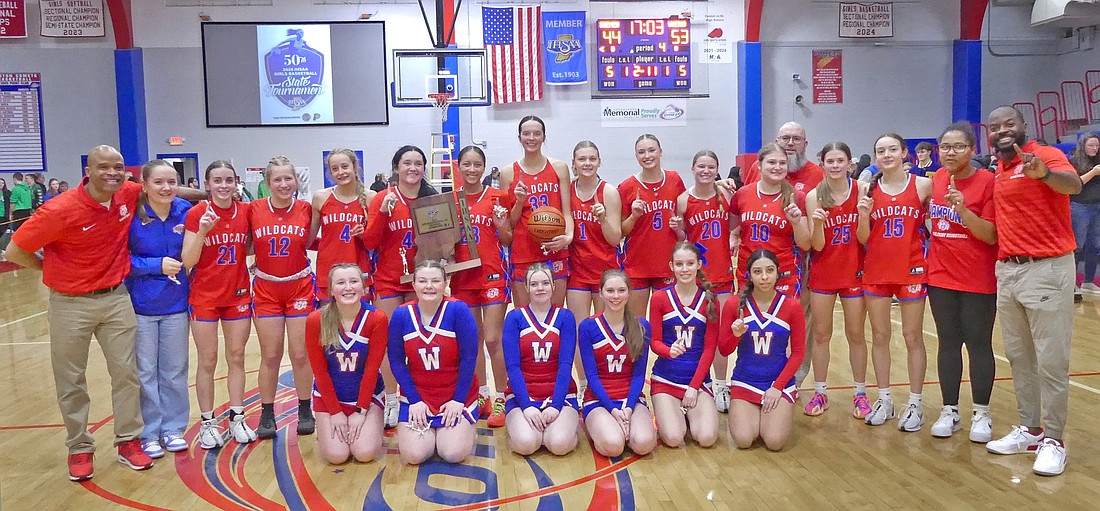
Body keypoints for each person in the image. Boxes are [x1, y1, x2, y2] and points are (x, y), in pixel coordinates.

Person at [5, 145, 158, 481]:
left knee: (127, 374)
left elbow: (162, 185)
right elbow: (15, 249)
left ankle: (128, 441)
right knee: (71, 379)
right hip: (69, 304)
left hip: (116, 298)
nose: (114, 173)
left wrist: (212, 191)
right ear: (88, 171)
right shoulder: (59, 209)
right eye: (104, 167)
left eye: (118, 166)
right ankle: (79, 447)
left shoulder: (127, 194)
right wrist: (48, 269)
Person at [984, 105, 1081, 477]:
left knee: (1051, 361)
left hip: (1047, 268)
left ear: (1024, 127)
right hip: (1008, 271)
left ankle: (1055, 440)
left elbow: (1072, 185)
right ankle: (1031, 430)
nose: (1003, 131)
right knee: (1019, 358)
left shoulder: (1046, 155)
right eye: (995, 127)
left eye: (1010, 124)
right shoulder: (1001, 169)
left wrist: (1045, 175)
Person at [925, 122, 998, 442]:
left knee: (978, 344)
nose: (950, 152)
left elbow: (990, 234)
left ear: (972, 150)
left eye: (957, 147)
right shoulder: (938, 178)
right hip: (940, 276)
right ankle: (950, 409)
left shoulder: (987, 183)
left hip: (978, 277)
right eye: (945, 147)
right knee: (948, 343)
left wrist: (963, 210)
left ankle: (982, 412)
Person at [856, 133, 933, 431]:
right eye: (880, 151)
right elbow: (863, 238)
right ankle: (884, 399)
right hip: (876, 271)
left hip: (911, 269)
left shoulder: (923, 184)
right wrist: (863, 216)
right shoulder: (867, 189)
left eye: (892, 150)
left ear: (904, 153)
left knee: (913, 337)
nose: (886, 155)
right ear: (875, 157)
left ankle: (915, 402)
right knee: (879, 336)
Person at [181, 160, 256, 449]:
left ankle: (237, 416)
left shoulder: (246, 212)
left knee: (236, 356)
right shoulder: (197, 213)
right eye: (217, 180)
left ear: (236, 182)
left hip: (237, 294)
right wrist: (202, 231)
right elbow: (188, 260)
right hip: (204, 297)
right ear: (207, 184)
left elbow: (250, 245)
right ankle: (208, 423)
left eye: (228, 180)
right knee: (208, 360)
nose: (223, 185)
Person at [364, 145, 437, 428]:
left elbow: (446, 241)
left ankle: (416, 397)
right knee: (387, 342)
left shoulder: (432, 200)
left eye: (418, 163)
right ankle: (391, 399)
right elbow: (370, 242)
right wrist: (382, 212)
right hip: (389, 279)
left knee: (421, 342)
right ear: (396, 167)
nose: (413, 168)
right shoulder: (383, 198)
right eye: (407, 163)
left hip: (423, 280)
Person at [124, 159, 193, 458]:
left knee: (175, 371)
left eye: (171, 181)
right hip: (140, 306)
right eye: (159, 182)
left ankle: (174, 428)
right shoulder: (131, 216)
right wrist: (155, 265)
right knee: (145, 372)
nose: (166, 188)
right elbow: (119, 259)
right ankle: (149, 432)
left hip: (177, 304)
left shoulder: (185, 211)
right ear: (145, 185)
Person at [249, 156, 317, 439]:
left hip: (299, 285)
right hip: (266, 288)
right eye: (277, 179)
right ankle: (267, 412)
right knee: (271, 354)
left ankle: (305, 408)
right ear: (267, 183)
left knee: (301, 354)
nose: (283, 184)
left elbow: (315, 241)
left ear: (296, 180)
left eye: (288, 178)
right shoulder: (252, 209)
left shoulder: (307, 209)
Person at [387, 260, 481, 464]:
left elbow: (469, 359)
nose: (429, 286)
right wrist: (414, 400)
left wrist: (458, 400)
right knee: (414, 455)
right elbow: (396, 361)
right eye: (422, 281)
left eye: (435, 281)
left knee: (452, 453)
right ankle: (434, 430)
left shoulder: (459, 310)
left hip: (455, 395)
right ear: (413, 285)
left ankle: (460, 428)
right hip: (419, 396)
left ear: (445, 283)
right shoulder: (402, 315)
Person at [804, 142, 871, 419]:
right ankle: (820, 391)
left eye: (839, 160)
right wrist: (818, 223)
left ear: (849, 163)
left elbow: (864, 239)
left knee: (856, 335)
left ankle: (859, 393)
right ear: (822, 164)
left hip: (854, 271)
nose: (834, 166)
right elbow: (815, 246)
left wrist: (864, 217)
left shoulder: (862, 191)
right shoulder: (813, 196)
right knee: (821, 335)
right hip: (824, 272)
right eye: (829, 161)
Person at [450, 146, 514, 427]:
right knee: (472, 342)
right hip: (462, 277)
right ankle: (482, 395)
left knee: (492, 339)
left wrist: (501, 225)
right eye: (467, 164)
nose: (472, 170)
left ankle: (503, 396)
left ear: (484, 167)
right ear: (459, 167)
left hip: (492, 274)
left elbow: (509, 238)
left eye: (477, 164)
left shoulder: (498, 197)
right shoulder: (450, 200)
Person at [719, 249, 806, 451]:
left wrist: (778, 387)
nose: (764, 277)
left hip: (778, 383)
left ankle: (768, 414)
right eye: (758, 271)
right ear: (749, 274)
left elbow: (798, 353)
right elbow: (724, 350)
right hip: (745, 381)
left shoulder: (792, 306)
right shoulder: (735, 304)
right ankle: (755, 415)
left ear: (778, 272)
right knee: (743, 440)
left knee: (774, 443)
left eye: (770, 270)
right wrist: (736, 335)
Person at [305, 264, 388, 464]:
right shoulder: (316, 320)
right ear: (331, 290)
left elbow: (371, 369)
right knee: (337, 456)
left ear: (364, 287)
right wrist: (335, 412)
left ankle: (368, 422)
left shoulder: (377, 318)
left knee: (365, 453)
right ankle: (325, 426)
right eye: (341, 283)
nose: (348, 287)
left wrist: (360, 411)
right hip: (330, 398)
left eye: (353, 281)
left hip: (367, 397)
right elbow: (320, 372)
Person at [672, 150, 735, 412]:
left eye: (711, 167)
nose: (705, 171)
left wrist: (734, 237)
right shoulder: (684, 200)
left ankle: (720, 384)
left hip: (721, 274)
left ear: (717, 170)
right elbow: (682, 238)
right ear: (693, 168)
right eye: (701, 166)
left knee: (720, 332)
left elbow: (734, 224)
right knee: (694, 332)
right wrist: (677, 229)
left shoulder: (726, 195)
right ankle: (692, 382)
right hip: (696, 277)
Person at [502, 263, 580, 455]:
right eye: (534, 284)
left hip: (559, 395)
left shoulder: (565, 317)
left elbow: (565, 365)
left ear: (554, 286)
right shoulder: (514, 318)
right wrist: (527, 407)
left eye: (545, 283)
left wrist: (555, 406)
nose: (540, 288)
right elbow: (512, 367)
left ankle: (566, 430)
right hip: (523, 395)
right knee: (526, 444)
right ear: (526, 288)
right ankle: (527, 428)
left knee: (559, 445)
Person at [578, 269, 657, 458]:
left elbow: (639, 375)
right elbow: (592, 377)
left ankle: (620, 427)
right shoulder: (588, 327)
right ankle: (599, 427)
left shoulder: (641, 326)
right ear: (601, 293)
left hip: (631, 399)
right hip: (598, 400)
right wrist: (613, 410)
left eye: (621, 291)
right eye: (610, 291)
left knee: (644, 444)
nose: (616, 296)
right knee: (614, 446)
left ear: (629, 293)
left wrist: (628, 409)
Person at [648, 242, 720, 448]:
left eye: (690, 263)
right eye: (679, 264)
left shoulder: (710, 300)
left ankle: (687, 413)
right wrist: (668, 351)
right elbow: (654, 342)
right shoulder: (660, 298)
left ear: (698, 264)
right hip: (666, 380)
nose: (685, 269)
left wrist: (694, 387)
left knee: (706, 438)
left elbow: (709, 349)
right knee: (673, 438)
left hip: (697, 383)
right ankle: (674, 413)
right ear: (671, 266)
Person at [566, 140, 622, 395]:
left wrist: (602, 219)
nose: (587, 163)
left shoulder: (608, 192)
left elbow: (615, 238)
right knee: (579, 332)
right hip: (577, 270)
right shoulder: (567, 191)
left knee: (606, 330)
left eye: (592, 158)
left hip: (605, 272)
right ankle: (584, 385)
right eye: (582, 159)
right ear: (574, 163)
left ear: (599, 161)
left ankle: (607, 384)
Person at [501, 116, 574, 308]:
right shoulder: (508, 173)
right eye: (526, 133)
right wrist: (519, 202)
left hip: (554, 249)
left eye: (536, 133)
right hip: (524, 251)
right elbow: (510, 224)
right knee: (525, 316)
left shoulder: (559, 168)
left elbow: (567, 211)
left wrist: (568, 237)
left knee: (555, 313)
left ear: (544, 137)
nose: (531, 138)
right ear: (519, 138)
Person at [731, 144, 811, 297]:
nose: (778, 167)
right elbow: (732, 227)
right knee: (748, 319)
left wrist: (796, 223)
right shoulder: (742, 194)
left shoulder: (797, 197)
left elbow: (806, 244)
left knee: (782, 320)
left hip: (784, 273)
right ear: (759, 166)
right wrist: (733, 237)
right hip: (748, 270)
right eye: (772, 162)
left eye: (782, 163)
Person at [618, 134, 687, 313]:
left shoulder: (674, 180)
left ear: (660, 152)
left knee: (665, 324)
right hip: (637, 265)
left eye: (651, 150)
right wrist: (633, 216)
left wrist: (678, 224)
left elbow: (688, 211)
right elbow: (621, 232)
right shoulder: (627, 187)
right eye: (641, 152)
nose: (647, 155)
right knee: (636, 324)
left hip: (668, 264)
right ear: (636, 156)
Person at [310, 148, 375, 304]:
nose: (340, 172)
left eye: (345, 166)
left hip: (359, 270)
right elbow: (308, 239)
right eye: (335, 169)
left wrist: (363, 235)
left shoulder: (371, 197)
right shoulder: (321, 197)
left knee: (359, 323)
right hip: (328, 270)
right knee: (329, 324)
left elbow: (376, 241)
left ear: (354, 167)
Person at [739, 122, 825, 193]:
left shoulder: (817, 174)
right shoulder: (759, 167)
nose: (790, 143)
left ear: (805, 144)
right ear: (776, 142)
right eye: (785, 138)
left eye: (797, 139)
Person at [1069, 132, 1100, 300]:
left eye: (1097, 145)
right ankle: (1072, 283)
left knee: (1095, 246)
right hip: (1079, 207)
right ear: (1083, 146)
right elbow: (1075, 185)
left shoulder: (1098, 159)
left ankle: (1088, 281)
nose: (1094, 149)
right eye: (1091, 146)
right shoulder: (1073, 162)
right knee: (1077, 246)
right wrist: (1094, 173)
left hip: (1097, 206)